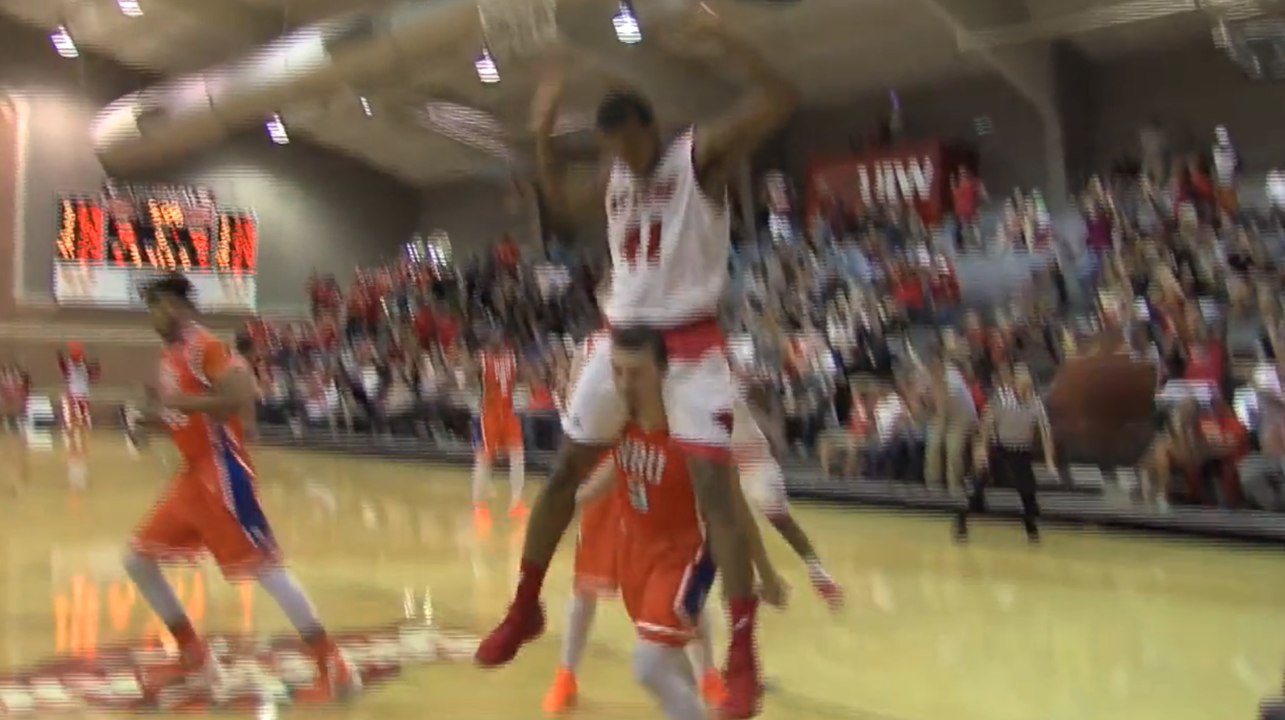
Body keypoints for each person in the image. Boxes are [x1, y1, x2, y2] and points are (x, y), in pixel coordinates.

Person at [476, 9, 798, 719]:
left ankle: (741, 653)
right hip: (623, 341)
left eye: (631, 145)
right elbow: (560, 204)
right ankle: (526, 604)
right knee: (564, 471)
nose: (624, 159)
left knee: (716, 492)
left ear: (654, 130)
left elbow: (779, 100)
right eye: (612, 150)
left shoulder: (696, 157)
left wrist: (725, 38)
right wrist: (539, 131)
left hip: (687, 342)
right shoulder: (615, 175)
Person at [123, 273, 359, 699]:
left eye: (157, 305)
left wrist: (179, 404)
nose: (153, 315)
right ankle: (194, 656)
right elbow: (185, 416)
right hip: (193, 473)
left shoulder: (205, 346)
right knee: (137, 559)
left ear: (177, 306)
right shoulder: (171, 355)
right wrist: (151, 421)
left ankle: (334, 665)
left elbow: (241, 395)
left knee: (266, 569)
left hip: (224, 472)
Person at [543, 331, 788, 715]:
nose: (624, 383)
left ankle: (707, 679)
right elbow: (618, 470)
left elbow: (735, 508)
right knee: (669, 671)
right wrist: (571, 504)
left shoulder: (693, 431)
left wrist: (767, 573)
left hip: (684, 555)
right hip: (637, 553)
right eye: (618, 373)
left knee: (649, 664)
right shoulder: (622, 419)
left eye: (635, 373)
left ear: (662, 370)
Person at [958, 364, 1056, 543]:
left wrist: (1050, 462)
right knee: (978, 484)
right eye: (1021, 378)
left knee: (1028, 491)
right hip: (1000, 448)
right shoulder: (1002, 398)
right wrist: (982, 450)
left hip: (1021, 452)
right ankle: (962, 522)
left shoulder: (1036, 403)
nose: (1024, 382)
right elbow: (986, 423)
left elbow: (1045, 432)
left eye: (1027, 378)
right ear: (1014, 382)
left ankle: (1031, 529)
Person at [471, 333, 527, 526]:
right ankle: (479, 505)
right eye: (491, 339)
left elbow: (523, 376)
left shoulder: (512, 357)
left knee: (518, 454)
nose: (496, 341)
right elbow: (471, 378)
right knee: (485, 458)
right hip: (490, 414)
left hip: (509, 411)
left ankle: (517, 502)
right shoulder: (482, 360)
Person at [58, 341, 99, 464]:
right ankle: (75, 447)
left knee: (79, 423)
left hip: (79, 396)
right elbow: (66, 371)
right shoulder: (77, 365)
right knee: (75, 423)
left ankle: (79, 446)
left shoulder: (79, 365)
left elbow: (90, 375)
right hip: (77, 396)